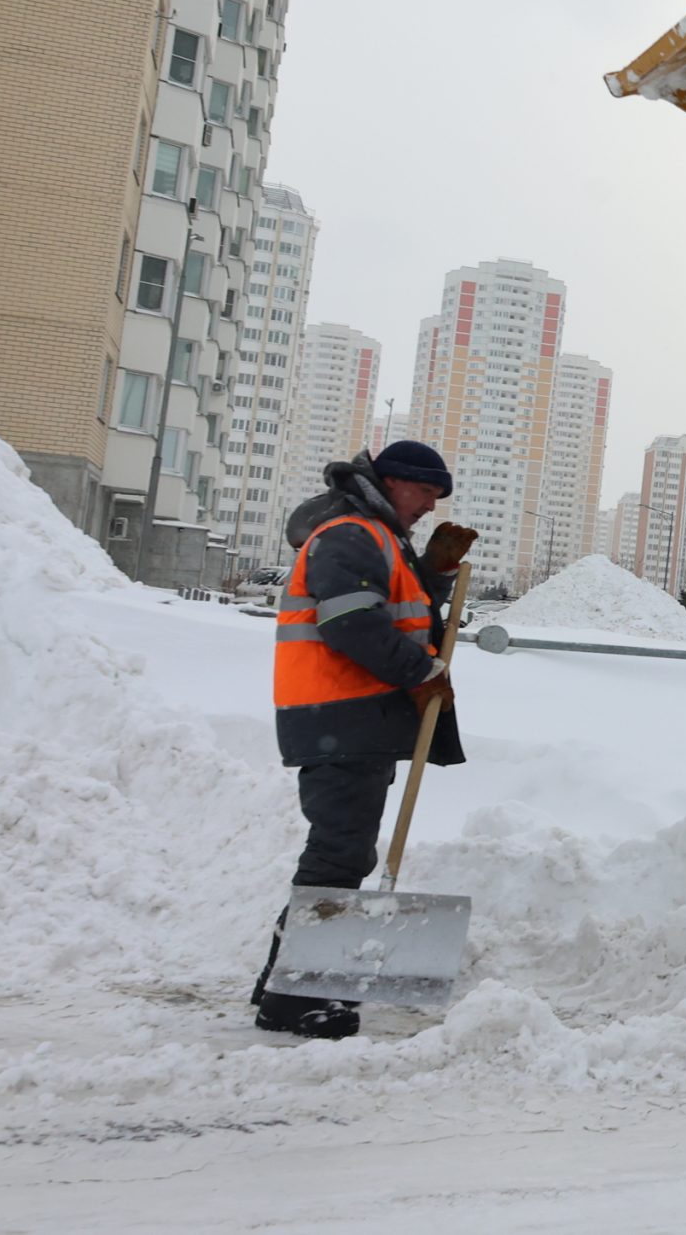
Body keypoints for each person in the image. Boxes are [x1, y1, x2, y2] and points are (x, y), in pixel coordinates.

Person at [251, 441, 477, 1038]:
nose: (430, 506)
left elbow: (391, 606)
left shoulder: (378, 536)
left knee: (341, 850)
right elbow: (350, 621)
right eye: (425, 492)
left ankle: (289, 979)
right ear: (394, 482)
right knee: (339, 853)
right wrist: (420, 672)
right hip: (339, 714)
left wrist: (432, 573)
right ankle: (296, 998)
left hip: (354, 718)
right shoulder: (353, 533)